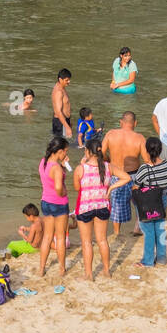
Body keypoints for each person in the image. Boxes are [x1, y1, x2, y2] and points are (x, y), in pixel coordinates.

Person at [119, 137, 167, 267]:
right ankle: (161, 258)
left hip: (146, 203)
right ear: (160, 150)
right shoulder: (166, 164)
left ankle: (148, 261)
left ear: (147, 150)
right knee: (160, 228)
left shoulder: (144, 168)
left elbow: (136, 187)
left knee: (148, 231)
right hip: (161, 200)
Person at [102, 111, 149, 237]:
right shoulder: (139, 138)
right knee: (140, 203)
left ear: (121, 122)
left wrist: (107, 159)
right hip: (134, 175)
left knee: (117, 206)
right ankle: (137, 228)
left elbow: (100, 154)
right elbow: (147, 160)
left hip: (116, 176)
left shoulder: (111, 134)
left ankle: (117, 233)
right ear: (135, 123)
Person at [73, 137, 112, 279]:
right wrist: (111, 187)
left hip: (85, 207)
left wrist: (82, 163)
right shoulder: (108, 166)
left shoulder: (80, 168)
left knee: (86, 242)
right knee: (102, 240)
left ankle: (89, 274)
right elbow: (126, 177)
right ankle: (107, 270)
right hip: (102, 206)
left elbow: (78, 188)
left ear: (87, 151)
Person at [36, 135, 70, 277]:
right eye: (66, 151)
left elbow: (49, 180)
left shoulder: (43, 162)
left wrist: (63, 166)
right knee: (60, 237)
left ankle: (42, 268)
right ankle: (62, 269)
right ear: (60, 151)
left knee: (47, 236)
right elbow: (57, 187)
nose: (66, 154)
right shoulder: (56, 168)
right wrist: (64, 191)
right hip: (59, 204)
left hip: (46, 202)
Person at [51, 68, 73, 138]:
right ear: (60, 79)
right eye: (66, 80)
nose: (69, 82)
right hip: (60, 123)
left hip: (63, 121)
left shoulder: (61, 87)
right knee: (62, 145)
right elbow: (58, 111)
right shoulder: (59, 92)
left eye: (69, 79)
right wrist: (67, 127)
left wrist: (69, 121)